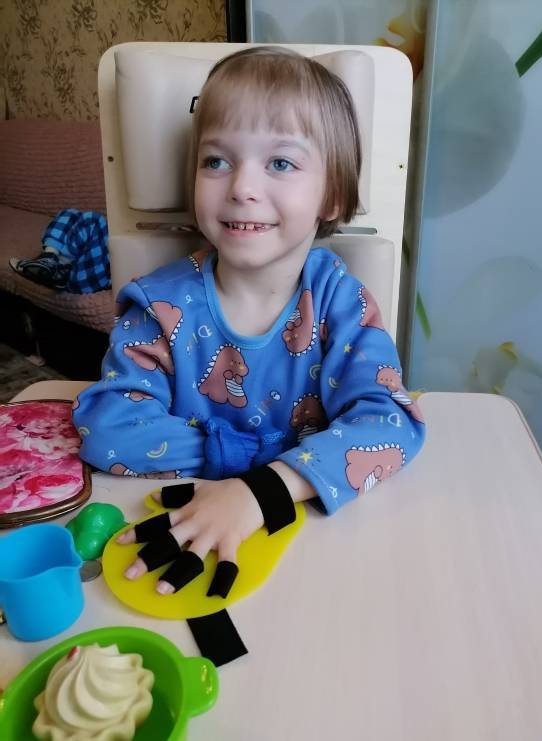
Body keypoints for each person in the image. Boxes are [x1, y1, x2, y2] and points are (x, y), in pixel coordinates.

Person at [72, 46, 425, 597]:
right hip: (188, 540)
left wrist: (262, 490)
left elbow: (392, 424)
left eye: (280, 163)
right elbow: (107, 426)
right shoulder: (159, 306)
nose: (241, 187)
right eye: (216, 161)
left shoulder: (342, 304)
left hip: (319, 553)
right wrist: (241, 459)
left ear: (332, 195)